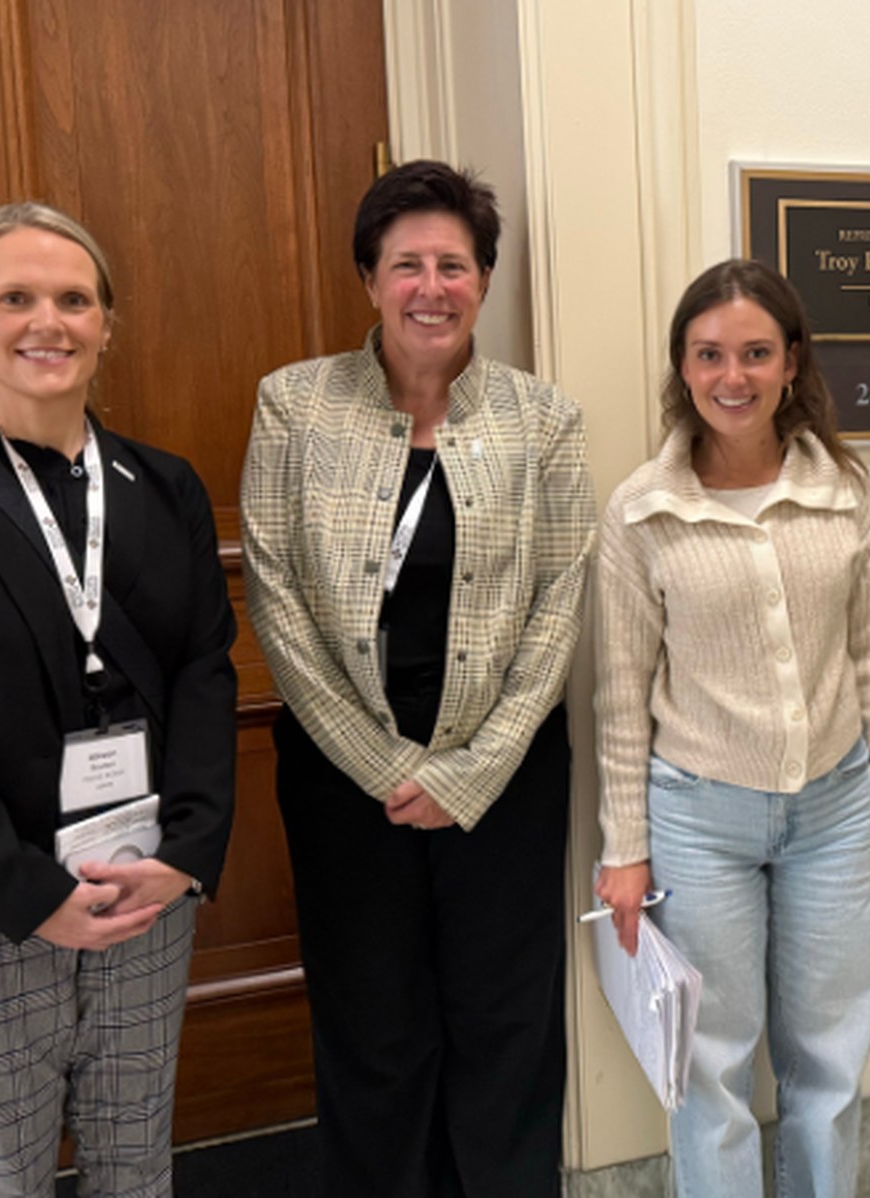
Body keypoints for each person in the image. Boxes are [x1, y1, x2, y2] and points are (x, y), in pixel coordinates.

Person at [0, 202, 238, 1196]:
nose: (47, 322)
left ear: (106, 323)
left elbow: (204, 671)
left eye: (73, 300)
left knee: (134, 1161)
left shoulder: (167, 488)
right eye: (16, 298)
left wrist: (187, 852)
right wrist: (30, 895)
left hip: (139, 886)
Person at [240, 161, 594, 1196]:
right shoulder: (294, 405)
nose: (429, 287)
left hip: (506, 775)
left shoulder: (544, 420)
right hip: (344, 777)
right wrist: (385, 764)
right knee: (372, 1028)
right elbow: (275, 594)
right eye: (406, 265)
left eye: (453, 264)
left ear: (483, 280)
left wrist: (471, 771)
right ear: (369, 278)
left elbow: (559, 601)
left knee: (506, 1023)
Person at [593, 258, 870, 1197]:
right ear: (681, 367)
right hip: (698, 821)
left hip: (835, 809)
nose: (731, 377)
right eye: (708, 355)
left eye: (755, 354)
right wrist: (625, 848)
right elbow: (620, 694)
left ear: (791, 362)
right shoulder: (642, 511)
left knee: (830, 1059)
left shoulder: (841, 489)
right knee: (709, 1067)